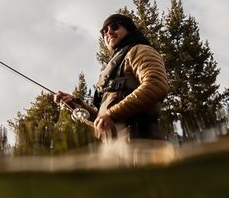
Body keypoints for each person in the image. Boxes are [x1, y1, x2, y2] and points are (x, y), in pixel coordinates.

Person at [55, 13, 168, 141]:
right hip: (118, 151)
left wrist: (111, 115)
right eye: (104, 32)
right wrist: (75, 105)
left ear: (128, 29)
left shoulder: (139, 50)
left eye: (114, 26)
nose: (108, 32)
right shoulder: (117, 64)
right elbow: (102, 120)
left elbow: (156, 85)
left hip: (144, 147)